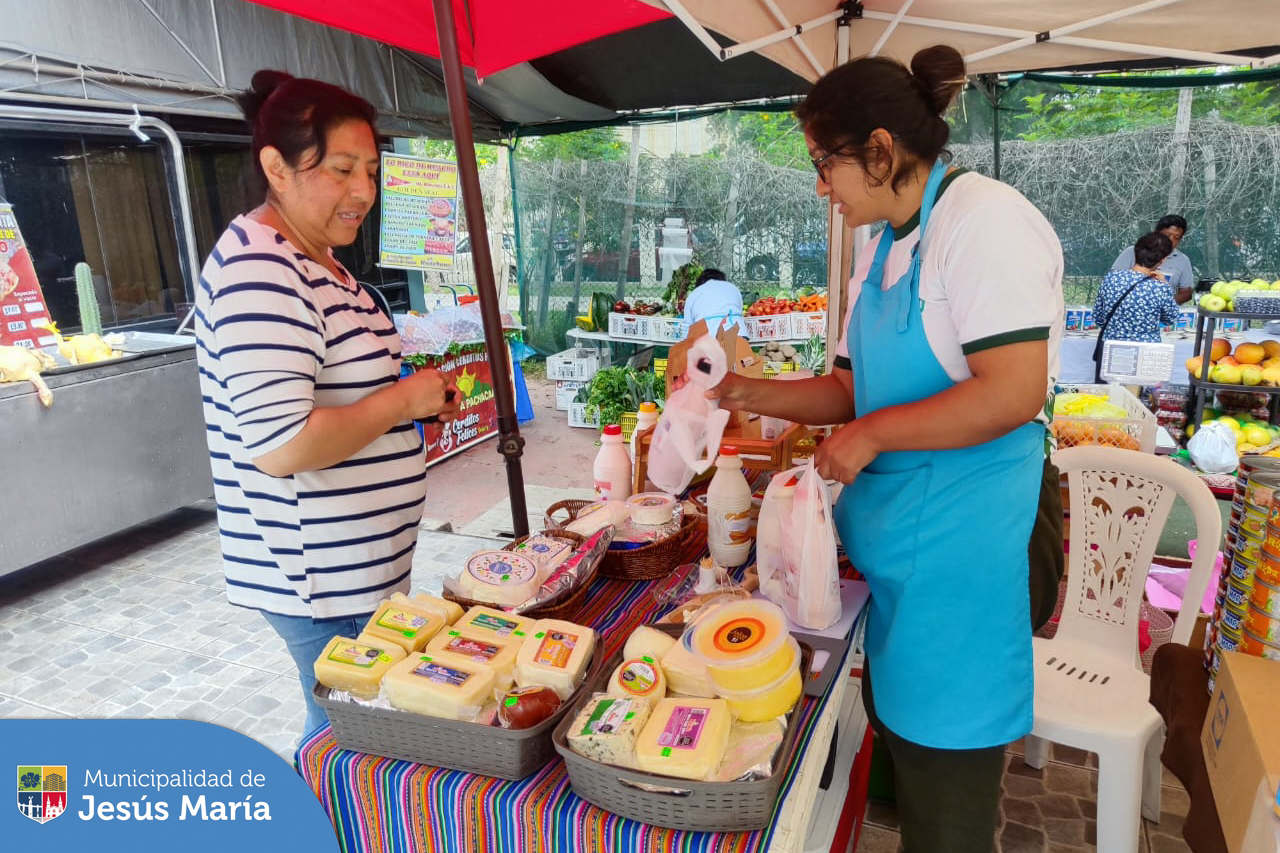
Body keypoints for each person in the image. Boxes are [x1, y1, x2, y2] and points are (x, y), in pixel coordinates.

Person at [706, 46, 1063, 852]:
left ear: (879, 149)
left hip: (960, 560)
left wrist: (870, 435)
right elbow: (846, 388)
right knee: (897, 738)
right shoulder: (881, 244)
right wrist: (739, 391)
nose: (820, 185)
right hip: (895, 557)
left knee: (949, 784)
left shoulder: (982, 223)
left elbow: (1012, 391)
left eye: (823, 164)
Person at [194, 70, 461, 737]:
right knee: (349, 748)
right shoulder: (261, 271)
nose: (364, 192)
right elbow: (284, 445)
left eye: (371, 171)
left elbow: (346, 398)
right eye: (342, 170)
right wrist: (403, 401)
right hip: (320, 583)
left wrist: (416, 405)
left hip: (363, 573)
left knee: (358, 740)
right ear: (276, 168)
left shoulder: (323, 263)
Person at [1093, 231, 1178, 382]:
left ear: (1136, 252)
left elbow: (1099, 318)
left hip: (1111, 353)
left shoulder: (1111, 279)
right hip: (1145, 355)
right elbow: (1171, 318)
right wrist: (1165, 285)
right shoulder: (1160, 287)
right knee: (1138, 400)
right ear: (1163, 260)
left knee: (1108, 399)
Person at [1111, 214, 1194, 304]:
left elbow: (1186, 292)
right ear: (1156, 234)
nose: (1171, 240)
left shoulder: (1183, 260)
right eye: (1167, 235)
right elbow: (1114, 280)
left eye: (1176, 238)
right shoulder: (1133, 251)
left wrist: (1167, 304)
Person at [682, 267, 745, 333]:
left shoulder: (694, 294)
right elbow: (739, 314)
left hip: (710, 336)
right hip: (739, 334)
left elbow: (687, 328)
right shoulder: (733, 288)